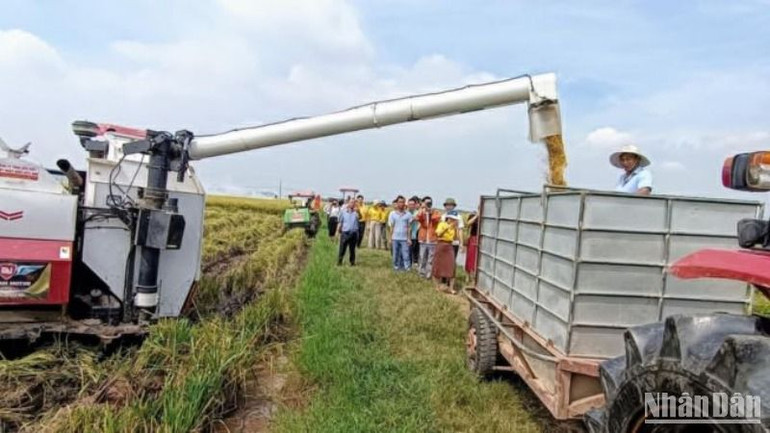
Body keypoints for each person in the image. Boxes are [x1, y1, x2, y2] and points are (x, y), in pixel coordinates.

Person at [416, 196, 442, 279]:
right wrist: (422, 210)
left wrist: (430, 212)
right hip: (423, 239)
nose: (428, 204)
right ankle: (421, 273)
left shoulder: (436, 212)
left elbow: (435, 220)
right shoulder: (422, 212)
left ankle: (429, 274)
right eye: (426, 203)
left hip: (432, 239)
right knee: (422, 257)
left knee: (431, 259)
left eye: (429, 203)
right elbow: (418, 218)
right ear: (423, 203)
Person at [433, 214, 459, 293]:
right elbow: (438, 234)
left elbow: (455, 238)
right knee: (438, 265)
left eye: (455, 219)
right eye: (453, 219)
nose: (454, 221)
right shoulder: (442, 224)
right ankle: (437, 287)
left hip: (449, 245)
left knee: (452, 265)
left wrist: (456, 228)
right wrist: (448, 227)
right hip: (441, 244)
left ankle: (451, 288)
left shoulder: (453, 227)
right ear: (448, 218)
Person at [388, 195, 413, 271]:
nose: (401, 204)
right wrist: (390, 238)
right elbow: (391, 227)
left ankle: (407, 268)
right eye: (399, 202)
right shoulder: (392, 214)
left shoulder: (408, 214)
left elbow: (409, 227)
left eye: (402, 202)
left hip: (404, 238)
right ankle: (396, 267)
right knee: (395, 254)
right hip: (395, 238)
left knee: (406, 254)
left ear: (404, 203)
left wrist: (409, 238)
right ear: (397, 203)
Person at [337, 199, 360, 266]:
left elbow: (360, 219)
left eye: (354, 203)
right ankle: (339, 262)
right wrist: (337, 231)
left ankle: (352, 262)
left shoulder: (356, 213)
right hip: (345, 233)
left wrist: (358, 212)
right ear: (348, 203)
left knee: (352, 249)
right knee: (342, 248)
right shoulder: (343, 212)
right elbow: (340, 222)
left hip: (354, 233)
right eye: (351, 202)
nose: (352, 204)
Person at [464, 210, 479, 282]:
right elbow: (467, 224)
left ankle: (474, 276)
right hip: (473, 238)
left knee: (477, 258)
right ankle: (468, 274)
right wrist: (477, 216)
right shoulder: (473, 216)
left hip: (481, 238)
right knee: (470, 257)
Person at [407, 196, 420, 267]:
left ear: (415, 205)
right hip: (405, 236)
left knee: (413, 250)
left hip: (414, 235)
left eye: (413, 204)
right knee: (407, 251)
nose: (411, 206)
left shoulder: (418, 213)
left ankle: (413, 263)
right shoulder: (405, 213)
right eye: (410, 204)